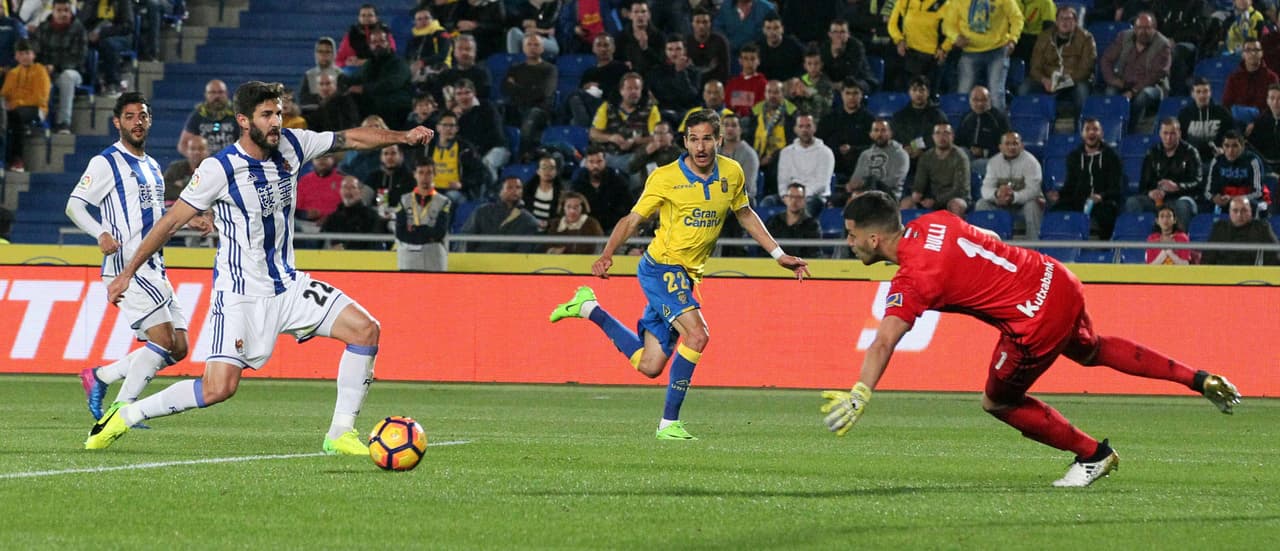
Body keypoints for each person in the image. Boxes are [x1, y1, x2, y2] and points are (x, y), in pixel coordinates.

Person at [84, 81, 436, 454]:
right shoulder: (219, 169)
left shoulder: (293, 145)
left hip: (289, 285)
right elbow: (170, 223)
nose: (276, 122)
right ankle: (127, 415)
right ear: (243, 120)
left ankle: (339, 433)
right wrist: (127, 273)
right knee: (218, 388)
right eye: (267, 115)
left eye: (279, 113)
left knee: (366, 331)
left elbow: (350, 138)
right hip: (241, 295)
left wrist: (403, 136)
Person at [820, 190, 1242, 487]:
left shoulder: (912, 278)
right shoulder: (937, 221)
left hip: (1032, 321)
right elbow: (993, 242)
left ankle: (1093, 455)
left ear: (874, 239)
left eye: (851, 235)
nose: (849, 242)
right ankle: (1199, 378)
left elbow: (883, 341)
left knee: (998, 400)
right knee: (1090, 348)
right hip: (1056, 279)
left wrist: (860, 392)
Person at [550, 109, 810, 441]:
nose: (700, 147)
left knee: (650, 365)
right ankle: (668, 423)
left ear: (719, 140)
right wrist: (606, 254)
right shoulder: (664, 177)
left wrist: (778, 255)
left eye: (707, 139)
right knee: (698, 336)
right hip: (661, 268)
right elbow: (633, 219)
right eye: (694, 139)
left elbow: (744, 213)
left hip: (687, 277)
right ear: (685, 141)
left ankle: (588, 308)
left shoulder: (732, 172)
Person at [66, 92, 209, 425]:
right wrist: (99, 233)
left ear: (149, 120)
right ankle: (121, 411)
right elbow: (74, 204)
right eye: (129, 116)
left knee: (179, 348)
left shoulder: (152, 166)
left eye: (142, 116)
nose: (137, 122)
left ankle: (100, 377)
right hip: (125, 266)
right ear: (117, 122)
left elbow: (156, 214)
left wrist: (189, 218)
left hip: (154, 266)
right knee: (162, 340)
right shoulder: (106, 162)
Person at [943, 0, 1024, 112]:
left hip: (998, 50)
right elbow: (948, 24)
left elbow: (1017, 17)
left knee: (996, 93)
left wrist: (1013, 39)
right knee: (964, 92)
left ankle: (1000, 127)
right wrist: (955, 37)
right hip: (969, 51)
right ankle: (963, 125)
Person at [1050, 118, 1124, 239]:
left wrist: (1101, 196)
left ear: (1101, 133)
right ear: (1082, 133)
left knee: (1108, 214)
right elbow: (1070, 184)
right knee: (1056, 211)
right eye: (1087, 129)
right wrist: (1059, 195)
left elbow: (1116, 187)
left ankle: (1104, 251)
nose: (1091, 133)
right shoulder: (1074, 156)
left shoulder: (1112, 156)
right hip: (1078, 200)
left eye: (1095, 129)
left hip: (1103, 201)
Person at [1124, 118, 1202, 231]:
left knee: (1182, 206)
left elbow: (1198, 182)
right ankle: (1141, 242)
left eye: (1172, 133)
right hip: (1158, 200)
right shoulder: (1152, 152)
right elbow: (1144, 185)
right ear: (1160, 134)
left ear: (1179, 133)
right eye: (1165, 133)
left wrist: (1177, 187)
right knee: (1133, 202)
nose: (1168, 138)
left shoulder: (1191, 152)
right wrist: (1150, 192)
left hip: (1182, 198)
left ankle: (1180, 242)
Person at [1098, 13, 1171, 132]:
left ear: (1154, 28)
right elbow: (1106, 59)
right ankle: (1111, 130)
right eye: (1140, 28)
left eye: (1148, 28)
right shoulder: (1123, 37)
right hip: (1124, 82)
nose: (1144, 31)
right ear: (1135, 29)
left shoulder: (1163, 44)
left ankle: (1129, 130)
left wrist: (1133, 91)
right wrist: (1112, 79)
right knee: (1110, 91)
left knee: (1142, 96)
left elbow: (1156, 75)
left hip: (1152, 87)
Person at [1022, 6, 1095, 119]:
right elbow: (1035, 67)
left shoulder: (1086, 38)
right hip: (1048, 80)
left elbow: (1085, 69)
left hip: (1074, 80)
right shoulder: (1044, 37)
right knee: (1024, 88)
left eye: (1069, 19)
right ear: (1056, 22)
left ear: (1075, 22)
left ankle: (1081, 128)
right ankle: (1030, 127)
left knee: (1082, 92)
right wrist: (1044, 80)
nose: (1065, 22)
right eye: (1062, 18)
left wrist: (1062, 82)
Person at [32, 0, 86, 134]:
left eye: (66, 10)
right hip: (47, 71)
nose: (63, 14)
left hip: (73, 72)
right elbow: (35, 52)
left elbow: (78, 59)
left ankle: (64, 123)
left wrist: (55, 67)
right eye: (59, 10)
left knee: (66, 77)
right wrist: (42, 67)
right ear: (53, 11)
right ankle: (37, 121)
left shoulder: (79, 29)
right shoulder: (43, 28)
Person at [977, 131, 1045, 238]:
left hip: (1023, 206)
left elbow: (1033, 190)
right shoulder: (994, 162)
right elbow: (985, 188)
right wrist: (997, 194)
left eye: (1015, 143)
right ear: (1000, 147)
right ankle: (984, 243)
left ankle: (1033, 247)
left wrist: (1013, 197)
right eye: (1007, 144)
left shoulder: (1031, 162)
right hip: (1001, 204)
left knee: (1033, 205)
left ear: (1021, 146)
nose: (1011, 147)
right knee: (981, 204)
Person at [771, 112, 835, 216]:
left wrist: (799, 197)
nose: (804, 130)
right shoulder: (786, 152)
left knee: (808, 205)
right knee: (768, 202)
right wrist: (786, 197)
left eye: (808, 126)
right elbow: (782, 181)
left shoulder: (825, 152)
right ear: (795, 129)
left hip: (814, 197)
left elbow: (821, 184)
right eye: (801, 126)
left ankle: (798, 231)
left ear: (814, 128)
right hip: (790, 196)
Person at [902, 123, 971, 216]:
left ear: (952, 136)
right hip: (932, 197)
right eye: (938, 133)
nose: (942, 137)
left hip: (955, 197)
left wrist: (936, 200)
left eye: (946, 133)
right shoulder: (926, 156)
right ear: (933, 137)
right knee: (906, 203)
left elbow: (959, 189)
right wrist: (917, 192)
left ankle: (954, 230)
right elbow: (920, 181)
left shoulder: (960, 157)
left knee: (956, 205)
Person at [2, 39, 49, 172]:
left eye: (27, 53)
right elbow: (5, 94)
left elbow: (40, 98)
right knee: (6, 117)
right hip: (14, 109)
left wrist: (16, 103)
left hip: (37, 109)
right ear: (16, 56)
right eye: (21, 54)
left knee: (15, 117)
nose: (25, 57)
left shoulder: (40, 71)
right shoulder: (13, 73)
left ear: (33, 55)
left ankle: (17, 159)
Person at [394, 161, 451, 272]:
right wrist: (426, 232)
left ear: (435, 174)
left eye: (429, 173)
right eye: (421, 173)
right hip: (408, 260)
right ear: (414, 174)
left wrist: (414, 231)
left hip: (434, 259)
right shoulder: (404, 200)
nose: (425, 177)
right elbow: (400, 232)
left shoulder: (444, 201)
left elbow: (439, 232)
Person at [459, 176, 540, 252]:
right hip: (478, 260)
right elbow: (466, 238)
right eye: (510, 187)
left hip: (509, 263)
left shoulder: (528, 220)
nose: (515, 190)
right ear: (500, 192)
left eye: (518, 187)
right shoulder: (482, 212)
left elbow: (525, 251)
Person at [887, 0, 947, 90]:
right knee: (908, 91)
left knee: (929, 93)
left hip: (933, 56)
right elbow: (892, 24)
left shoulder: (944, 3)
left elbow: (952, 28)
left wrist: (944, 47)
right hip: (910, 54)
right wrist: (899, 40)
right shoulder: (904, 1)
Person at [1202, 196, 1280, 265]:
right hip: (1223, 276)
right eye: (1235, 211)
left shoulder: (1262, 228)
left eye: (1244, 210)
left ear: (1250, 212)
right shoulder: (1219, 228)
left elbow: (1274, 257)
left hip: (1253, 277)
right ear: (1229, 212)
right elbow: (1208, 259)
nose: (1239, 215)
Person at [1206, 130, 1269, 214]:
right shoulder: (1217, 161)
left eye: (1235, 146)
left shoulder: (1253, 161)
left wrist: (1234, 199)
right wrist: (1213, 198)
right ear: (1222, 147)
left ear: (1242, 147)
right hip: (1224, 202)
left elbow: (1258, 192)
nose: (1230, 150)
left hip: (1250, 202)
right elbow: (1208, 191)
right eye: (1226, 146)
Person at [848, 119, 911, 201]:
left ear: (890, 133)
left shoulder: (901, 154)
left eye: (883, 130)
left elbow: (893, 181)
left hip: (889, 196)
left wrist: (865, 186)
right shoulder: (865, 154)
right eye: (876, 130)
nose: (879, 134)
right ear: (871, 134)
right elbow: (855, 179)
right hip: (864, 194)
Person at [955, 86, 1011, 177]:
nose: (980, 104)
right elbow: (958, 141)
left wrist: (984, 152)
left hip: (991, 158)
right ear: (970, 101)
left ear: (989, 100)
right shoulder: (967, 117)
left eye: (984, 100)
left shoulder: (999, 118)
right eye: (976, 100)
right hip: (969, 156)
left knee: (974, 166)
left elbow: (1007, 147)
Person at [1178, 78, 1234, 166]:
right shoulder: (1184, 114)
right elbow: (1180, 139)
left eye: (1205, 91)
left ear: (1210, 93)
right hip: (1192, 160)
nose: (1202, 95)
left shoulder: (1222, 112)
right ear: (1192, 94)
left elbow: (1233, 134)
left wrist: (1225, 149)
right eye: (1198, 92)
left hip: (1218, 158)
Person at [321, 175, 385, 250]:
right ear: (340, 191)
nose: (348, 191)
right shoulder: (332, 218)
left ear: (360, 192)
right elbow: (322, 244)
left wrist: (346, 249)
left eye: (353, 187)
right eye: (345, 187)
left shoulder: (372, 216)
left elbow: (374, 246)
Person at [179, 79, 238, 154]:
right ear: (206, 95)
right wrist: (195, 158)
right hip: (206, 162)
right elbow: (183, 145)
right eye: (212, 92)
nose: (217, 96)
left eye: (220, 92)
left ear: (226, 94)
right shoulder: (198, 115)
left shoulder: (236, 114)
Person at [765, 182, 822, 258]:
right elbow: (765, 249)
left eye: (798, 197)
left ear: (804, 200)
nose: (794, 201)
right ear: (785, 199)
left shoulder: (812, 225)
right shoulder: (774, 221)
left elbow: (813, 253)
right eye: (791, 197)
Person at [1222, 39, 1278, 112]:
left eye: (1256, 50)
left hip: (1264, 122)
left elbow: (1276, 105)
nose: (1253, 53)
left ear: (1262, 53)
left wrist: (1258, 122)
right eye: (1248, 50)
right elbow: (1226, 105)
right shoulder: (1233, 78)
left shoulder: (1272, 78)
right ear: (1243, 54)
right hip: (1238, 121)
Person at [298, 37, 342, 113]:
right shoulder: (309, 75)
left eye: (327, 52)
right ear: (316, 54)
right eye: (320, 51)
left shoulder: (341, 75)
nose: (324, 55)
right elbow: (303, 100)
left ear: (334, 54)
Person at [1246, 83, 1280, 174]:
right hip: (1266, 168)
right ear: (1267, 101)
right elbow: (1252, 147)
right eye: (1272, 98)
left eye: (1279, 98)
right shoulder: (1260, 122)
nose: (1276, 102)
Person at [164, 135, 208, 204]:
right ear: (187, 151)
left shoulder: (212, 170)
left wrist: (183, 184)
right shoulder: (175, 167)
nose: (196, 152)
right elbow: (164, 190)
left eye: (201, 149)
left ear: (207, 151)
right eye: (193, 149)